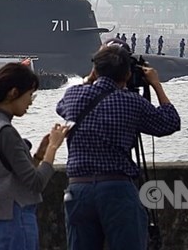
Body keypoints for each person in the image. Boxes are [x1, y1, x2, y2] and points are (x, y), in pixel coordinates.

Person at [56, 40, 181, 250]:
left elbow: (61, 108)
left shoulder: (73, 95)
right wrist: (156, 85)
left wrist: (90, 78)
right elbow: (170, 122)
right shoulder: (131, 102)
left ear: (95, 69)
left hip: (78, 189)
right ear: (128, 74)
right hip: (116, 189)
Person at [0, 62, 70, 250]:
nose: (31, 102)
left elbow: (14, 173)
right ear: (13, 93)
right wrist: (53, 147)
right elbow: (36, 183)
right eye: (29, 95)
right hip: (11, 219)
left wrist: (39, 155)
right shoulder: (6, 132)